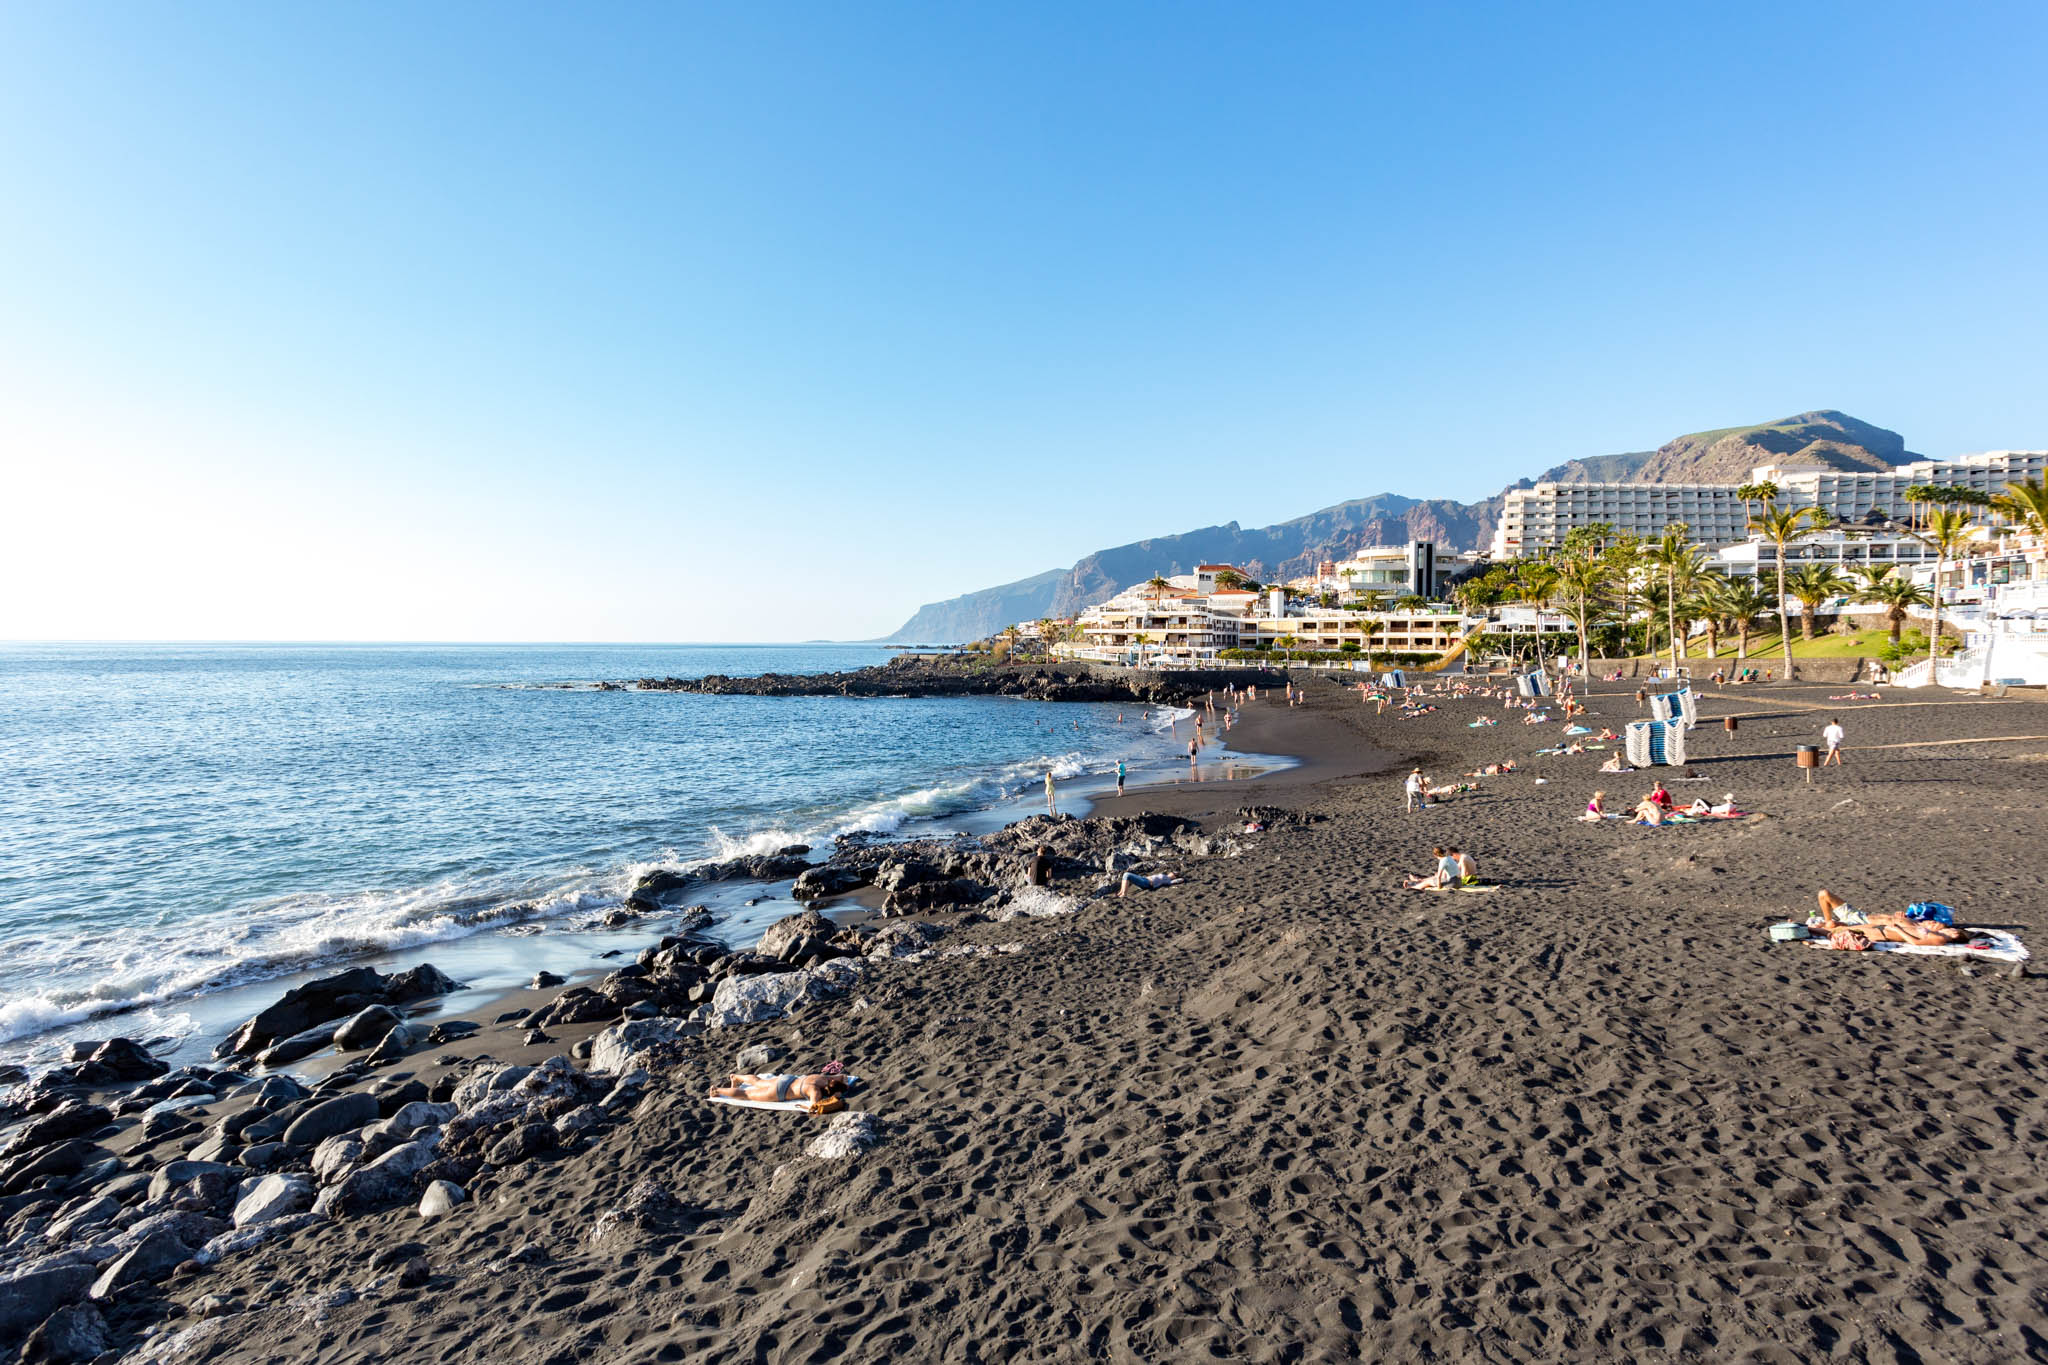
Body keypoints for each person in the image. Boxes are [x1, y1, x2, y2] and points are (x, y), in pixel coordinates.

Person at [1814, 888, 1969, 948]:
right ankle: (1828, 921)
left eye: (1935, 925)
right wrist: (1901, 916)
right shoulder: (1914, 921)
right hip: (1860, 917)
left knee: (1832, 929)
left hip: (1866, 927)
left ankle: (1828, 925)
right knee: (1824, 894)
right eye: (1934, 922)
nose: (1932, 922)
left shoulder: (1917, 930)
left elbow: (1918, 939)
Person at [709, 1071, 848, 1104]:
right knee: (746, 1094)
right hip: (780, 1092)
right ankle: (716, 1091)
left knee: (758, 1081)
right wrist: (835, 1097)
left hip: (787, 1079)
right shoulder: (815, 1091)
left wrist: (842, 1085)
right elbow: (815, 1108)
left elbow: (843, 1076)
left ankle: (736, 1077)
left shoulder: (821, 1078)